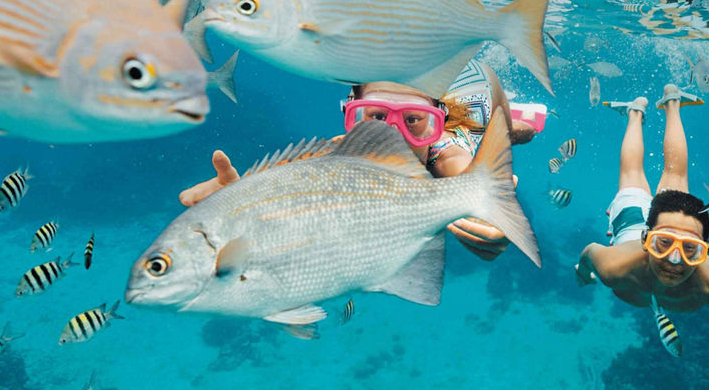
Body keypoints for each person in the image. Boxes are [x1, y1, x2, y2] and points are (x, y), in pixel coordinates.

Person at [178, 62, 537, 259]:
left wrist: (491, 211)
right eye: (376, 118)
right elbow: (286, 183)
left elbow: (469, 181)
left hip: (464, 130)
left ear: (430, 123)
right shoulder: (340, 152)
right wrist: (235, 197)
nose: (390, 137)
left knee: (511, 130)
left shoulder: (445, 158)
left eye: (412, 119)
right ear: (352, 119)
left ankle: (517, 120)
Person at [575, 84, 709, 314]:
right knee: (668, 174)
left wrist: (582, 272)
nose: (675, 260)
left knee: (645, 175)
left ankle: (642, 108)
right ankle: (646, 109)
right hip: (630, 236)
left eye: (690, 248)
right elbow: (590, 251)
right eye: (664, 242)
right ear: (645, 238)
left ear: (703, 251)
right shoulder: (614, 266)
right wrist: (581, 270)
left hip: (639, 231)